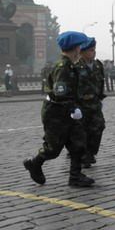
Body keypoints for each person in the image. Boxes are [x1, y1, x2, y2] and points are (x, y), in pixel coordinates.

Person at [23, 31, 95, 187]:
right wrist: (73, 109)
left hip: (67, 110)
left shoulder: (70, 65)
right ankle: (34, 164)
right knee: (53, 149)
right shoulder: (63, 67)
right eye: (79, 47)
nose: (80, 51)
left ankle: (75, 177)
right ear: (75, 48)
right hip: (56, 112)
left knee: (78, 143)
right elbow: (59, 93)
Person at [77, 37, 106, 168]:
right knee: (82, 130)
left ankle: (91, 152)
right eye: (90, 50)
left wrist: (100, 96)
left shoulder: (98, 65)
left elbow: (100, 82)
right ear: (82, 51)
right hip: (81, 104)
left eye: (94, 50)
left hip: (95, 103)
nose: (93, 52)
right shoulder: (76, 66)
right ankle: (83, 155)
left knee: (99, 126)